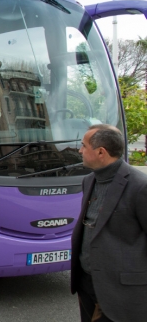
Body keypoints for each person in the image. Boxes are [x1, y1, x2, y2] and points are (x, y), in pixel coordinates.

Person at [71, 124, 147, 322]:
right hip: (87, 284)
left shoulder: (139, 186)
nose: (80, 150)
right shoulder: (88, 181)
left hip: (121, 292)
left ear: (101, 152)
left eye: (84, 145)